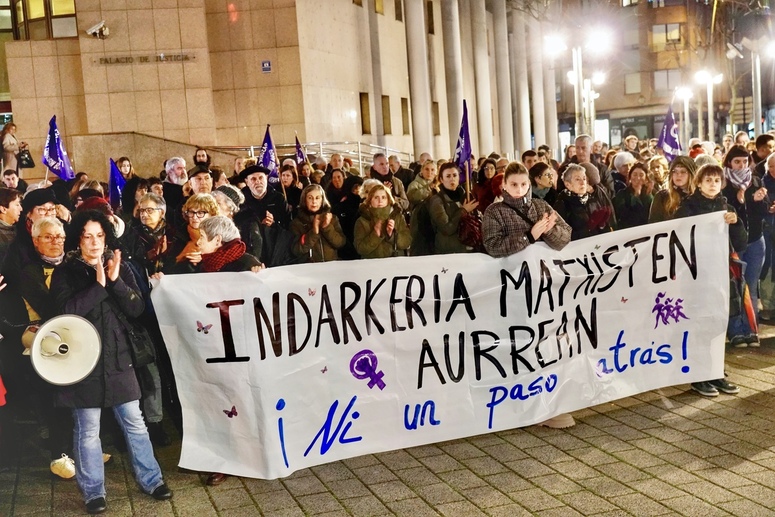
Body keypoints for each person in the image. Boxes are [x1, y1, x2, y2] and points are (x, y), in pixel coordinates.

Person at [50, 210, 172, 514]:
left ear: (107, 237)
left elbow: (136, 308)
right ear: (78, 239)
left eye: (100, 236)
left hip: (120, 360)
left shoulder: (122, 267)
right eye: (88, 236)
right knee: (88, 429)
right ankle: (94, 493)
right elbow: (66, 311)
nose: (94, 242)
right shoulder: (67, 272)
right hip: (83, 363)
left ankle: (153, 480)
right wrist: (99, 287)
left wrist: (115, 281)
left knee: (135, 423)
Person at [481, 162, 575, 428]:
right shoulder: (495, 212)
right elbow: (492, 247)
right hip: (513, 290)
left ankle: (548, 402)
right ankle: (522, 404)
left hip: (544, 287)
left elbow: (565, 236)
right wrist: (528, 237)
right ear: (504, 186)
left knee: (546, 342)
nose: (520, 189)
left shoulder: (541, 207)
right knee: (520, 345)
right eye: (514, 184)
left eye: (524, 184)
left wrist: (549, 231)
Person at [674, 164, 746, 397]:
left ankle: (716, 372)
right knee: (699, 325)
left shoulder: (727, 206)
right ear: (699, 183)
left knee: (717, 323)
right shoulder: (688, 207)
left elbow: (741, 243)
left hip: (720, 274)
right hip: (696, 275)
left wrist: (736, 223)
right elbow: (677, 235)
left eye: (717, 180)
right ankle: (699, 375)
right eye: (708, 180)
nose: (713, 184)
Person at [722, 145, 770, 345]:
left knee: (751, 285)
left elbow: (764, 213)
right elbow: (729, 214)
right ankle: (735, 331)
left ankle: (751, 329)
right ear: (729, 164)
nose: (741, 165)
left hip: (756, 241)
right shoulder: (724, 185)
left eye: (744, 161)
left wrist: (759, 201)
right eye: (737, 162)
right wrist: (742, 201)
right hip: (735, 243)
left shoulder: (756, 181)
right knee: (735, 286)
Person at [427, 162, 479, 254]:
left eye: (455, 175)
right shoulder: (437, 200)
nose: (452, 179)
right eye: (448, 176)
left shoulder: (465, 196)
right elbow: (447, 229)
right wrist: (463, 211)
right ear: (441, 180)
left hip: (468, 248)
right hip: (448, 251)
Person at [553, 164, 614, 241]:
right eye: (578, 179)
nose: (582, 183)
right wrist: (588, 227)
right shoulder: (562, 204)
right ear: (567, 184)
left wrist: (602, 225)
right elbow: (561, 236)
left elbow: (606, 233)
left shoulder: (593, 200)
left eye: (584, 179)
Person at [290, 184, 345, 263]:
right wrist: (314, 232)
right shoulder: (296, 223)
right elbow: (296, 250)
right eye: (310, 198)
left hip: (331, 267)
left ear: (322, 200)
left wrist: (327, 227)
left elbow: (340, 243)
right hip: (309, 269)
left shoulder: (332, 218)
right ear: (304, 200)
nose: (314, 201)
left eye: (317, 198)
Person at [165, 193, 219, 274]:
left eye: (200, 213)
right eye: (191, 212)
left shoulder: (219, 237)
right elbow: (168, 266)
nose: (194, 217)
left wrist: (204, 258)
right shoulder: (179, 235)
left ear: (212, 215)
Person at [353, 184, 411, 258]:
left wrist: (392, 236)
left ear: (388, 200)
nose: (380, 201)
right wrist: (375, 234)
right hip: (371, 265)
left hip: (395, 264)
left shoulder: (398, 217)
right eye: (376, 197)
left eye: (383, 197)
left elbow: (406, 242)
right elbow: (360, 249)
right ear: (370, 201)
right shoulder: (362, 221)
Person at [649, 156, 696, 223]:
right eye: (675, 171)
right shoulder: (662, 197)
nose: (678, 175)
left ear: (691, 174)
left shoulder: (699, 197)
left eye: (683, 172)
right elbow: (654, 224)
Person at [613, 163, 653, 229]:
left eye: (641, 175)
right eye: (634, 174)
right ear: (630, 176)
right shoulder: (622, 194)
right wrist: (636, 197)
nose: (638, 178)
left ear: (646, 178)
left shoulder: (650, 193)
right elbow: (623, 215)